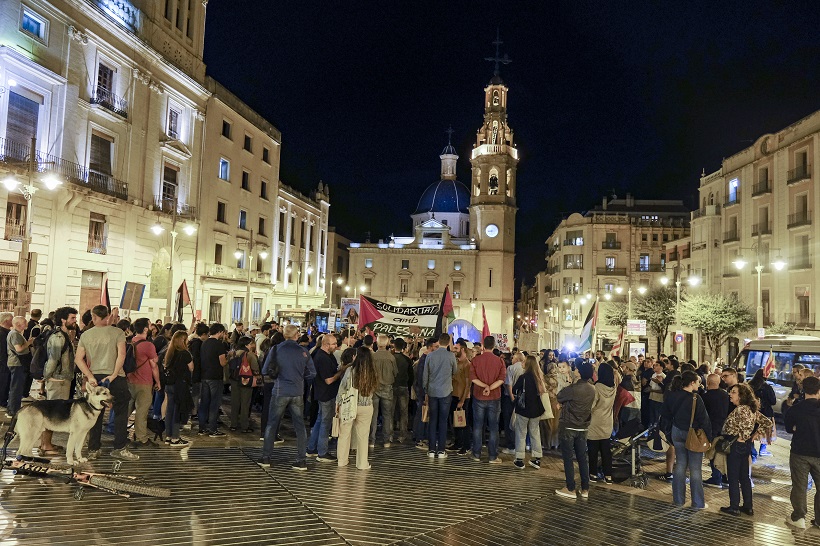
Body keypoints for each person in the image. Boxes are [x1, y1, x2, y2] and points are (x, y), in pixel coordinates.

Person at [74, 305, 136, 461]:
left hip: (95, 377)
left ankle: (94, 449)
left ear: (94, 317)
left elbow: (78, 359)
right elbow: (121, 355)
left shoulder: (86, 335)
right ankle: (120, 447)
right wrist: (114, 374)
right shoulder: (118, 332)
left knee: (95, 414)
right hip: (116, 377)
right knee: (121, 412)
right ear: (108, 316)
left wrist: (89, 376)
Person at [259, 324, 316, 470]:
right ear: (296, 335)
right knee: (299, 425)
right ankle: (301, 459)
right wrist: (300, 378)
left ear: (284, 335)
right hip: (297, 391)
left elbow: (265, 370)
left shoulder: (276, 350)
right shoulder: (303, 352)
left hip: (280, 390)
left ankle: (266, 457)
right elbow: (312, 373)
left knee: (272, 424)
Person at [661, 370, 711, 509]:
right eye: (698, 382)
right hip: (693, 434)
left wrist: (667, 432)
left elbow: (664, 415)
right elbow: (704, 420)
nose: (699, 385)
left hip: (677, 432)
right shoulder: (696, 398)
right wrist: (709, 438)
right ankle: (698, 502)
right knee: (695, 468)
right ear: (692, 383)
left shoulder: (672, 396)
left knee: (680, 464)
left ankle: (678, 500)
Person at [721, 383, 770, 516]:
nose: (730, 394)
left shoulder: (741, 409)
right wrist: (754, 434)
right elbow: (767, 422)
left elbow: (743, 427)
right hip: (745, 446)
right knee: (744, 477)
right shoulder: (751, 409)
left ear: (742, 396)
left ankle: (734, 507)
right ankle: (748, 506)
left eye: (734, 392)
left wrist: (744, 436)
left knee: (733, 477)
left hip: (737, 445)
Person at [555, 360, 596, 499]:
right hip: (583, 426)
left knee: (568, 458)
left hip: (568, 425)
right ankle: (585, 488)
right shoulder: (592, 389)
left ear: (580, 372)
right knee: (582, 458)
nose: (575, 370)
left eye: (577, 369)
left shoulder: (573, 388)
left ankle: (570, 487)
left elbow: (560, 396)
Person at [784, 376, 820, 529]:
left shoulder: (796, 409)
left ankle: (799, 517)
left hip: (800, 452)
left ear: (803, 390)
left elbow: (788, 428)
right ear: (818, 391)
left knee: (800, 486)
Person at [40, 306, 77, 454]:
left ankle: (46, 444)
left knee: (52, 411)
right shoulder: (59, 337)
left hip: (60, 379)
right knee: (53, 413)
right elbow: (53, 359)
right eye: (72, 318)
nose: (75, 321)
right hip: (58, 380)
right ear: (63, 319)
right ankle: (46, 445)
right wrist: (48, 377)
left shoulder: (63, 335)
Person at [336, 348, 379, 470]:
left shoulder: (350, 370)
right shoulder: (373, 372)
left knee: (344, 434)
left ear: (356, 357)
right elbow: (375, 388)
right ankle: (362, 463)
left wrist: (338, 403)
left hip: (350, 405)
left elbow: (343, 387)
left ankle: (342, 461)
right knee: (363, 436)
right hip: (366, 406)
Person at [307, 334, 346, 462]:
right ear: (326, 344)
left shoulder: (328, 355)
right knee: (325, 423)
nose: (336, 346)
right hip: (326, 394)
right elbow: (329, 380)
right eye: (334, 344)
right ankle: (322, 453)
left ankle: (312, 448)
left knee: (320, 420)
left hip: (324, 393)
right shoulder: (322, 358)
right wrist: (341, 372)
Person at [469, 336, 506, 464]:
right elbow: (501, 379)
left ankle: (476, 453)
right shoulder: (500, 361)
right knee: (494, 427)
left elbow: (472, 378)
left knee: (478, 426)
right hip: (495, 397)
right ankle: (492, 456)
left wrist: (484, 386)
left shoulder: (475, 360)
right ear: (494, 346)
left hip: (479, 395)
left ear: (483, 346)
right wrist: (490, 387)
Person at [126, 317, 161, 447]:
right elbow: (154, 365)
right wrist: (157, 382)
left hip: (129, 380)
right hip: (144, 382)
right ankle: (142, 438)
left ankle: (120, 434)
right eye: (150, 325)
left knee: (126, 410)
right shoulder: (148, 345)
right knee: (142, 411)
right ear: (146, 329)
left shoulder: (129, 342)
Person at [423, 333, 457, 458]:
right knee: (443, 421)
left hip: (432, 391)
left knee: (432, 420)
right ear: (448, 343)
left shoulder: (430, 356)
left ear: (439, 341)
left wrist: (425, 390)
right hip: (446, 391)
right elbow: (455, 371)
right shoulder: (451, 356)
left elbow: (425, 375)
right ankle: (441, 450)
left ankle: (432, 450)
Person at [511, 355, 546, 469]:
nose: (522, 362)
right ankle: (537, 459)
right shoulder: (538, 377)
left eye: (524, 361)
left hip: (524, 409)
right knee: (535, 433)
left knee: (521, 433)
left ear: (528, 364)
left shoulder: (523, 377)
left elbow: (514, 389)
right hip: (536, 410)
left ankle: (520, 459)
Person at [587, 362, 617, 484]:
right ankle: (608, 475)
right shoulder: (613, 387)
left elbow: (592, 405)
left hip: (595, 421)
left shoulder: (597, 387)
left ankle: (593, 473)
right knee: (606, 450)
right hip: (607, 421)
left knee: (593, 449)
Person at [198, 323, 228, 437]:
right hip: (215, 377)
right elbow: (222, 362)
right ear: (220, 332)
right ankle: (213, 429)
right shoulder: (219, 345)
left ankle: (202, 428)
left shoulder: (204, 343)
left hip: (205, 376)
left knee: (204, 403)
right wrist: (229, 357)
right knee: (214, 404)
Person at [163, 330, 193, 446]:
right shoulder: (185, 353)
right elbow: (191, 368)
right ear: (183, 340)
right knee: (177, 411)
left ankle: (168, 436)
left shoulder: (169, 352)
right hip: (179, 385)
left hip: (169, 384)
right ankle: (175, 438)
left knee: (169, 411)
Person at [369, 334, 398, 448]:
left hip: (374, 387)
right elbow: (395, 373)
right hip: (387, 387)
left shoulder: (373, 356)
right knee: (387, 415)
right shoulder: (391, 357)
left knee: (373, 415)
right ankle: (386, 440)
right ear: (387, 344)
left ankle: (372, 440)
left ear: (377, 343)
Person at [702, 373, 730, 488]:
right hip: (724, 428)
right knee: (722, 452)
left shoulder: (705, 397)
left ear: (707, 383)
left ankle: (716, 478)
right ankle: (724, 477)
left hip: (711, 428)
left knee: (713, 453)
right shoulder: (725, 395)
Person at [229, 336, 260, 433]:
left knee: (235, 403)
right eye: (251, 343)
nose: (252, 345)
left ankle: (233, 424)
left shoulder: (232, 353)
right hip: (246, 381)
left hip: (234, 380)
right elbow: (255, 369)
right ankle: (244, 426)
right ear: (247, 345)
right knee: (245, 404)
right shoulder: (250, 355)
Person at [446, 340, 472, 455]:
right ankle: (458, 442)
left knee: (464, 422)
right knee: (455, 421)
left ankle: (466, 445)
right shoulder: (456, 362)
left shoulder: (467, 364)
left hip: (463, 397)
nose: (454, 350)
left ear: (462, 349)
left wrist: (462, 399)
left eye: (456, 348)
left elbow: (468, 384)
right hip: (454, 395)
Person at [6, 316, 33, 417]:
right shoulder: (15, 334)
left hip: (16, 363)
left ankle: (12, 408)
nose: (26, 323)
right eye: (24, 322)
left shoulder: (15, 333)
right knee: (16, 387)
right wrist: (29, 343)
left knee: (16, 386)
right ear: (18, 324)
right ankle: (13, 410)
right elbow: (19, 349)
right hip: (17, 363)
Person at [749, 368, 777, 457]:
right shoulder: (767, 387)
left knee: (752, 431)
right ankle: (763, 449)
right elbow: (773, 401)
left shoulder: (749, 385)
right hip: (766, 413)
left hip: (753, 412)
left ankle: (751, 448)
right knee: (766, 431)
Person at [392, 337, 413, 444]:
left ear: (394, 345)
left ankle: (390, 435)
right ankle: (402, 435)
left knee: (390, 411)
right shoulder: (407, 360)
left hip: (391, 386)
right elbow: (411, 376)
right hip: (403, 387)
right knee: (403, 412)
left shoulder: (390, 358)